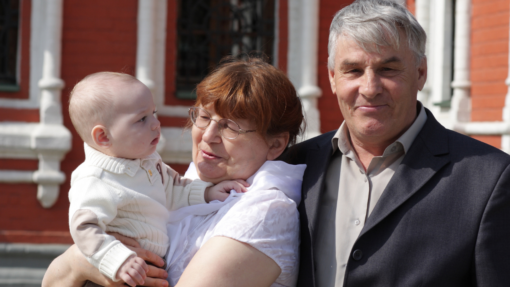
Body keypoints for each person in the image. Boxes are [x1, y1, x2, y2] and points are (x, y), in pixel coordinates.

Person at [279, 0, 510, 286]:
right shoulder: (296, 164)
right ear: (332, 78)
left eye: (388, 69)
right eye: (352, 70)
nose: (370, 88)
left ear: (420, 73)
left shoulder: (488, 179)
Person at [42, 56, 306, 287]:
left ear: (276, 144)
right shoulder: (179, 182)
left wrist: (79, 264)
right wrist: (79, 262)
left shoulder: (264, 212)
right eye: (203, 117)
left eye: (230, 126)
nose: (208, 136)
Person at [66, 72, 248, 286]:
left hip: (148, 267)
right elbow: (83, 227)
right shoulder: (96, 178)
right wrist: (117, 260)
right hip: (116, 271)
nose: (155, 124)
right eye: (142, 119)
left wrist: (208, 193)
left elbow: (174, 188)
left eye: (154, 113)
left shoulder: (147, 160)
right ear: (104, 137)